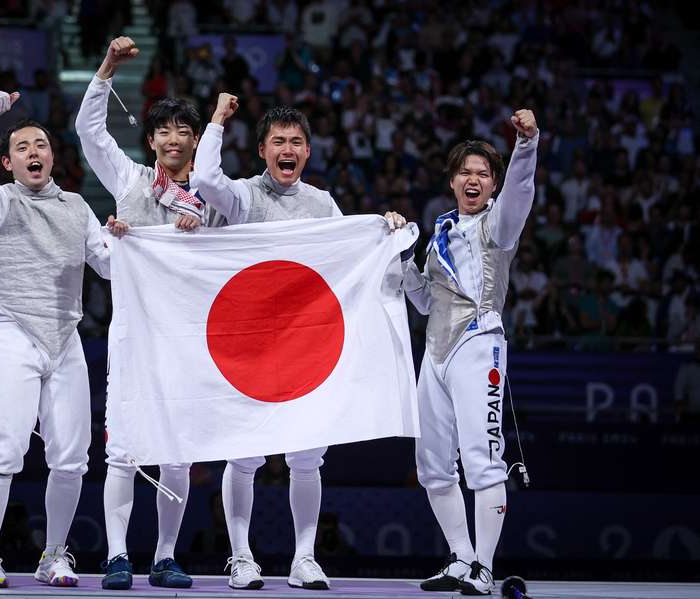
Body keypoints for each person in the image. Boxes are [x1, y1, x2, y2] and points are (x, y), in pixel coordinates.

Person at [192, 93, 404, 590]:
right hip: (250, 348)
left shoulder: (322, 204)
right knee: (244, 455)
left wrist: (384, 230)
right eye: (278, 142)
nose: (288, 149)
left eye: (296, 142)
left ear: (307, 152)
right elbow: (202, 180)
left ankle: (303, 558)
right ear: (263, 150)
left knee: (306, 458)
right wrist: (219, 120)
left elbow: (348, 258)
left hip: (305, 349)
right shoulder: (243, 196)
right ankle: (241, 558)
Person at [0, 89, 110, 589]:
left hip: (66, 338)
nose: (34, 152)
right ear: (7, 161)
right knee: (7, 450)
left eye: (41, 144)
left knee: (72, 458)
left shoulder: (78, 207)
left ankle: (54, 554)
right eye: (23, 147)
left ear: (53, 156)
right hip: (14, 332)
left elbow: (106, 264)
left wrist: (138, 237)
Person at [73, 36, 203, 591]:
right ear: (150, 141)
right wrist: (106, 67)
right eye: (165, 131)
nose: (174, 139)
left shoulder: (217, 199)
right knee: (123, 451)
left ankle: (166, 556)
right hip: (131, 337)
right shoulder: (128, 181)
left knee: (177, 454)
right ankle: (118, 555)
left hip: (188, 341)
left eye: (184, 131)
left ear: (197, 142)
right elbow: (88, 133)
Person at [398, 110, 539, 595]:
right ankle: (460, 558)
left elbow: (521, 191)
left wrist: (527, 144)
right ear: (453, 180)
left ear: (493, 185)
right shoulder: (439, 234)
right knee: (432, 465)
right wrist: (399, 253)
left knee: (481, 458)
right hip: (433, 351)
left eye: (482, 173)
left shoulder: (499, 226)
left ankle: (485, 566)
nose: (473, 179)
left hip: (479, 343)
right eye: (465, 172)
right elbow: (421, 300)